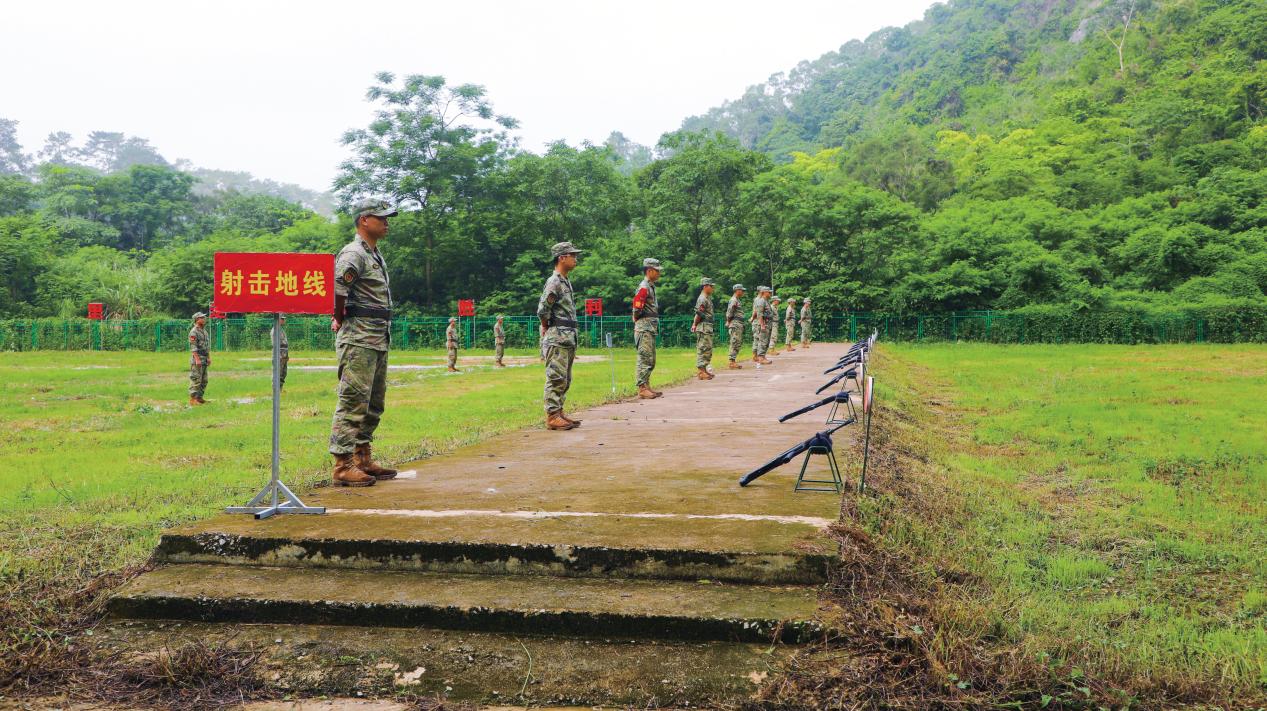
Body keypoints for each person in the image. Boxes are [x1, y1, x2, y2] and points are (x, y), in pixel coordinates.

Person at [328, 198, 400, 487]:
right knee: (353, 400)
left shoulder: (374, 254)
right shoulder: (353, 253)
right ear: (364, 220)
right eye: (381, 217)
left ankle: (362, 457)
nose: (386, 222)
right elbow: (337, 289)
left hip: (377, 335)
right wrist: (339, 317)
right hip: (359, 336)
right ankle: (342, 465)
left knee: (373, 402)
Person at [538, 242, 583, 431]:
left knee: (565, 378)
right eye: (572, 255)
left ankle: (559, 411)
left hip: (567, 337)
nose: (575, 258)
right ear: (562, 258)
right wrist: (546, 326)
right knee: (556, 377)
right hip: (557, 337)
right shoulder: (554, 281)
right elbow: (543, 310)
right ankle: (552, 416)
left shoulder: (565, 281)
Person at [633, 258, 663, 399]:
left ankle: (647, 385)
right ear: (649, 271)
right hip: (644, 327)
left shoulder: (650, 286)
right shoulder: (644, 287)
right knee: (645, 357)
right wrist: (636, 318)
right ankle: (642, 388)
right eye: (657, 271)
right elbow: (637, 307)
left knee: (650, 358)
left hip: (649, 327)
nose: (659, 273)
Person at [690, 277, 716, 380]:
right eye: (711, 286)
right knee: (703, 348)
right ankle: (701, 371)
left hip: (707, 326)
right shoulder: (702, 298)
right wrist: (694, 324)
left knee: (707, 348)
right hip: (703, 326)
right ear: (705, 286)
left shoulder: (707, 298)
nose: (712, 288)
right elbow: (698, 314)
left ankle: (704, 370)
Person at [188, 312, 210, 405]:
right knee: (196, 379)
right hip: (197, 359)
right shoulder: (194, 332)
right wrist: (197, 359)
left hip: (204, 358)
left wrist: (208, 357)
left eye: (204, 317)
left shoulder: (204, 331)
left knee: (204, 380)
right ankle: (193, 400)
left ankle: (199, 398)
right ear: (197, 320)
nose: (204, 319)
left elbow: (207, 346)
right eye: (202, 318)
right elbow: (193, 347)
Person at [750, 286, 774, 365]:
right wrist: (762, 325)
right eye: (768, 292)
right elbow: (759, 314)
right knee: (763, 341)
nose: (770, 293)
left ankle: (763, 356)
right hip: (764, 323)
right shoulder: (761, 301)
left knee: (766, 341)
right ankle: (761, 357)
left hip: (768, 323)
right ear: (764, 292)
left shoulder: (766, 301)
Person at [725, 284, 746, 369]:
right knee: (735, 342)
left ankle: (733, 361)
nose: (743, 292)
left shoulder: (737, 300)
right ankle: (731, 362)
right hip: (735, 323)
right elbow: (730, 312)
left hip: (738, 323)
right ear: (737, 290)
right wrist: (728, 321)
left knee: (737, 342)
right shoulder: (734, 300)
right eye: (742, 290)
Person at [270, 314, 289, 389]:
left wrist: (286, 355)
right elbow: (276, 344)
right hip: (279, 354)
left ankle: (280, 389)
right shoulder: (275, 330)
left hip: (283, 354)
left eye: (283, 319)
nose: (284, 320)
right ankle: (275, 390)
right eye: (282, 319)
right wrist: (280, 355)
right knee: (278, 372)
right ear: (278, 319)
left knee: (283, 373)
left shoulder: (280, 329)